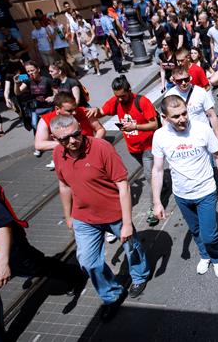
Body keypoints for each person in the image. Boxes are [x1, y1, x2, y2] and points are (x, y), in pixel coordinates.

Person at [52, 115, 150, 321]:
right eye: (64, 139)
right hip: (84, 217)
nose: (71, 142)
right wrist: (68, 215)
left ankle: (140, 275)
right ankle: (112, 294)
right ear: (56, 139)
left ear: (81, 129)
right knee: (88, 261)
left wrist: (126, 224)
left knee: (131, 247)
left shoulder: (101, 148)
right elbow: (64, 186)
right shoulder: (58, 154)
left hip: (114, 213)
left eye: (75, 135)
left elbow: (123, 185)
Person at [0, 176, 85, 342]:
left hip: (6, 247)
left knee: (37, 267)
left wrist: (3, 264)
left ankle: (75, 274)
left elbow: (3, 223)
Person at [151, 95, 218, 278]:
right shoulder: (160, 136)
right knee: (195, 230)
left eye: (184, 113)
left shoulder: (202, 129)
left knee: (209, 234)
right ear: (165, 118)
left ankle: (217, 258)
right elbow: (157, 169)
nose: (182, 119)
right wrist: (157, 202)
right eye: (176, 116)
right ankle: (204, 255)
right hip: (181, 194)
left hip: (205, 191)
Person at [87, 75, 161, 225]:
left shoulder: (142, 101)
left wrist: (135, 127)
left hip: (149, 146)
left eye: (122, 96)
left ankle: (154, 208)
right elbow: (102, 111)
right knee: (152, 174)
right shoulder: (116, 102)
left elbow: (154, 125)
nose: (120, 99)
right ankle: (161, 184)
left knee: (149, 175)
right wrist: (95, 110)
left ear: (129, 90)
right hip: (133, 149)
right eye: (117, 96)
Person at [36, 92, 105, 169]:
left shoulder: (85, 112)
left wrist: (93, 144)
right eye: (69, 111)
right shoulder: (46, 120)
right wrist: (65, 142)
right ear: (57, 109)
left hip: (91, 155)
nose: (74, 112)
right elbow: (39, 144)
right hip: (69, 161)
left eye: (75, 108)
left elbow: (100, 129)